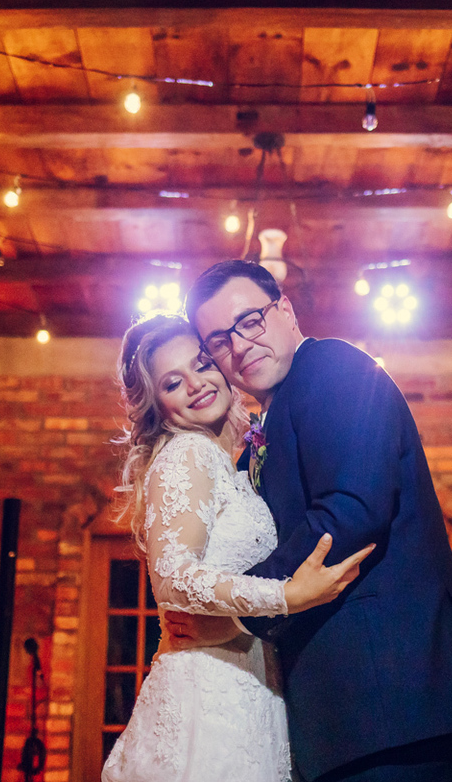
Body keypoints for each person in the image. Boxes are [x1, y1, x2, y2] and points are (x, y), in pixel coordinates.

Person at [165, 260, 452, 782]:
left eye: (249, 321)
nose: (239, 346)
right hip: (356, 702)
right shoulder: (271, 417)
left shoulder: (333, 367)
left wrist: (242, 612)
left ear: (286, 311)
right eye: (219, 340)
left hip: (391, 688)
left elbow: (351, 509)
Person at [102, 313, 374, 782]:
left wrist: (232, 624)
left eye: (202, 364)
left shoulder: (229, 460)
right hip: (207, 698)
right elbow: (174, 579)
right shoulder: (188, 453)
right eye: (172, 383)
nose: (196, 384)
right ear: (157, 406)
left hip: (248, 683)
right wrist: (286, 596)